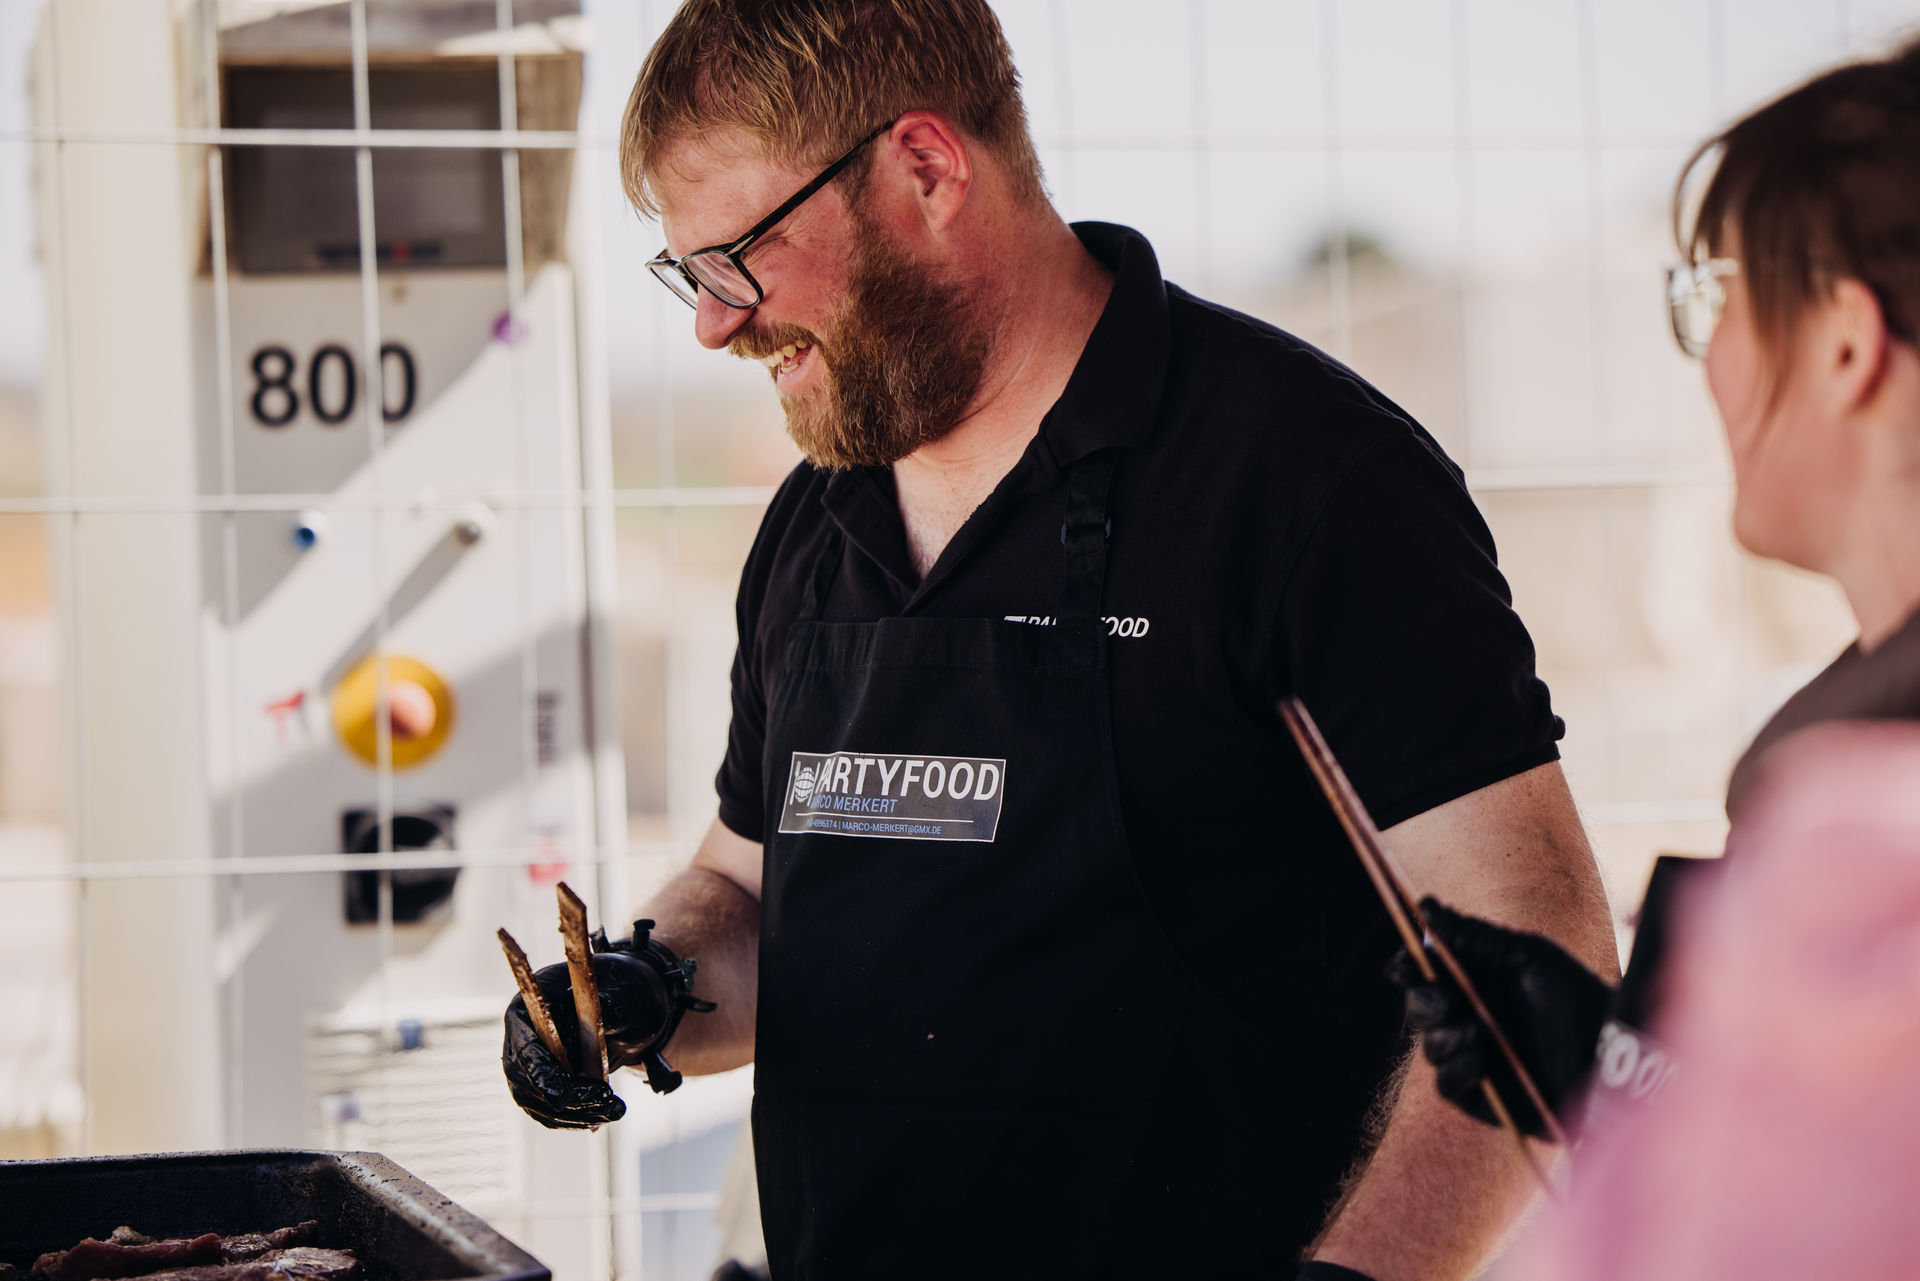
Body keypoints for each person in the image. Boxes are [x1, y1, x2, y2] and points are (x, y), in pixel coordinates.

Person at [502, 2, 1616, 1276]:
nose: (713, 323)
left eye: (737, 258)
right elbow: (750, 896)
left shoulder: (1304, 482)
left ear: (927, 169)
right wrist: (636, 991)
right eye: (688, 274)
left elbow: (1535, 951)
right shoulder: (816, 527)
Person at [1391, 33, 1920, 1151]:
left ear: (1844, 343)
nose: (1707, 355)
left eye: (1721, 294)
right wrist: (1610, 1057)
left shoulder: (1867, 790)